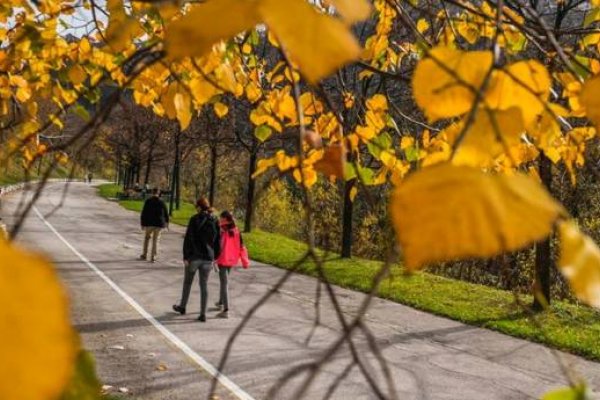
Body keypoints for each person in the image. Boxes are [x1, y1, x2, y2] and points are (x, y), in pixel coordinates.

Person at [173, 198, 220, 322]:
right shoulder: (215, 220)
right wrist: (215, 257)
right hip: (208, 258)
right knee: (204, 285)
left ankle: (182, 306)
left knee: (187, 283)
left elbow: (188, 238)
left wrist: (186, 256)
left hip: (194, 257)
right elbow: (217, 241)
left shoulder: (194, 219)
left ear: (199, 207)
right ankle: (203, 314)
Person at [214, 211, 249, 319]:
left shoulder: (222, 230)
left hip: (223, 259)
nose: (220, 220)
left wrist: (214, 257)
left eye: (221, 218)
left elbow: (216, 244)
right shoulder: (236, 231)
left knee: (224, 283)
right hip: (231, 260)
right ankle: (220, 302)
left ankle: (226, 310)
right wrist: (244, 260)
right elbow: (241, 246)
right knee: (224, 281)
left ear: (226, 219)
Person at [139, 188, 169, 263]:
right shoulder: (162, 202)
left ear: (152, 192)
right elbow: (166, 213)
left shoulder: (148, 201)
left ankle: (144, 254)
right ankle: (153, 257)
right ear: (158, 193)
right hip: (159, 224)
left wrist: (142, 224)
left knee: (147, 238)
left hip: (149, 223)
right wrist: (167, 223)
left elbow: (144, 213)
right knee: (156, 241)